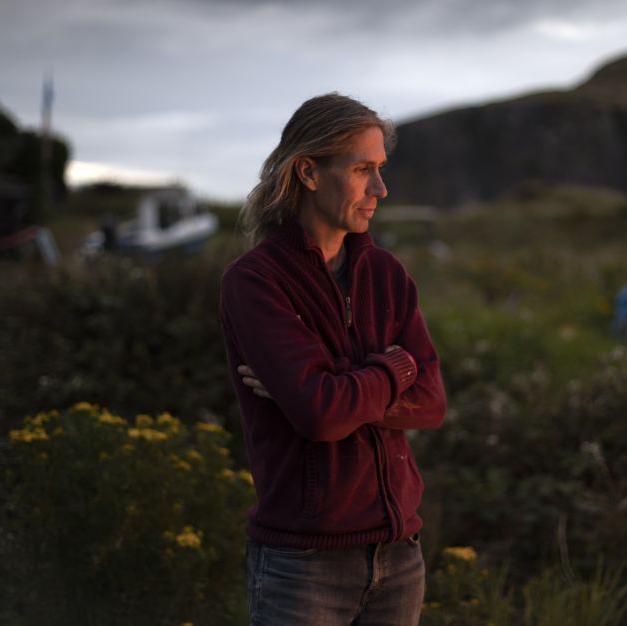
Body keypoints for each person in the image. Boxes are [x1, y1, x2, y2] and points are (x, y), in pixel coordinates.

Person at [220, 93, 446, 625]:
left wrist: (335, 390)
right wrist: (394, 369)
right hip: (304, 566)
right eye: (363, 169)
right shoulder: (255, 281)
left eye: (381, 170)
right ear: (309, 172)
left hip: (399, 557)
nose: (381, 190)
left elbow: (432, 403)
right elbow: (320, 416)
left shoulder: (387, 274)